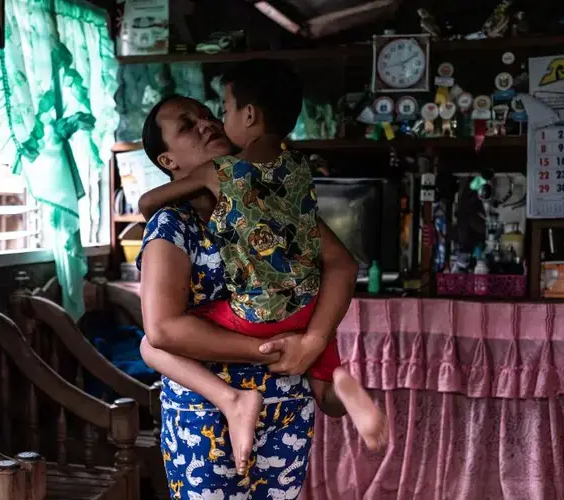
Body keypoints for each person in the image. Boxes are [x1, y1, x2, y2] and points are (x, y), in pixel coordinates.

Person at [138, 60, 387, 477]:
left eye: (210, 113)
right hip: (209, 430)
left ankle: (299, 385)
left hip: (285, 413)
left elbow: (342, 263)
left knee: (150, 346)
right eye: (187, 125)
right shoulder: (180, 221)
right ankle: (336, 385)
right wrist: (304, 345)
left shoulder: (238, 183)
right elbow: (163, 326)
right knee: (154, 340)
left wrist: (307, 342)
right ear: (167, 160)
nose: (206, 123)